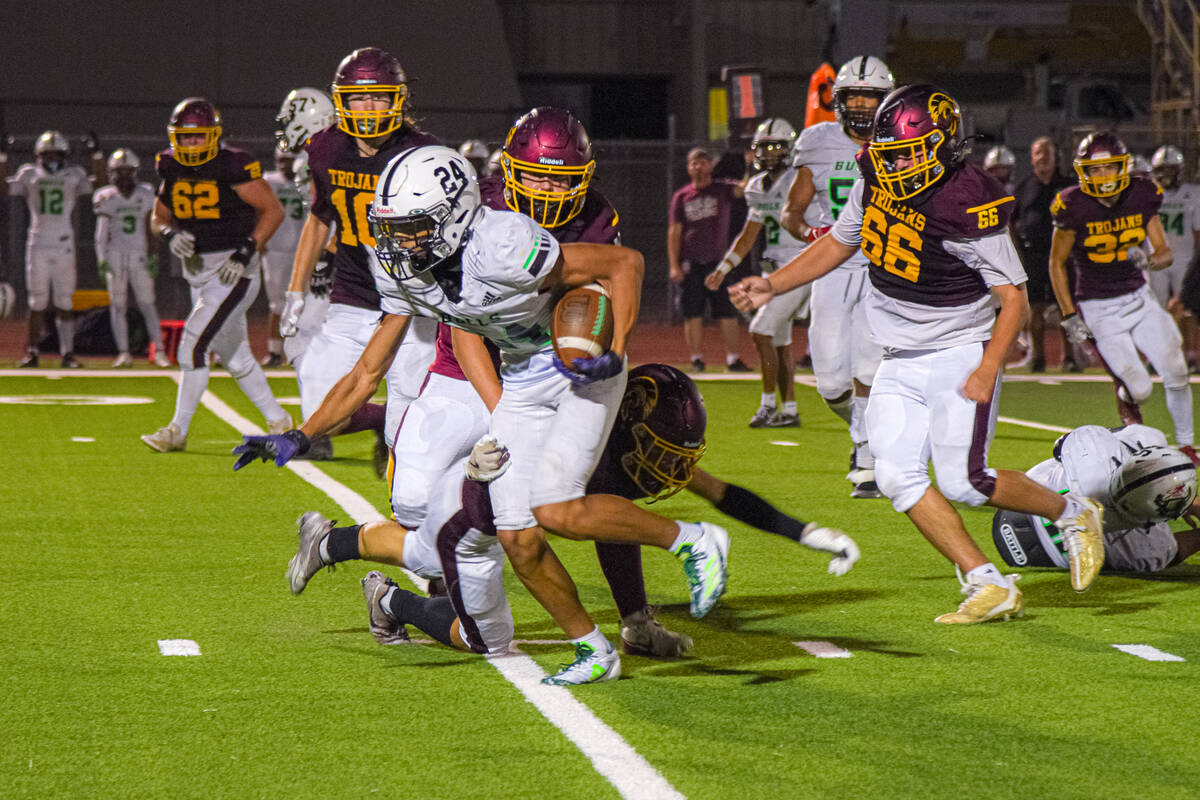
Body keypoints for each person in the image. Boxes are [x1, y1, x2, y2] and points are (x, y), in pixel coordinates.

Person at [233, 145, 731, 684]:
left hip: (578, 367)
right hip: (520, 378)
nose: (397, 242)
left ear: (453, 217)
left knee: (556, 508)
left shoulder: (504, 243)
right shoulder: (411, 271)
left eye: (411, 228)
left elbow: (623, 263)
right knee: (519, 533)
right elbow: (365, 372)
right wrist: (301, 437)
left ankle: (693, 539)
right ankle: (593, 651)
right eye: (391, 227)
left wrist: (617, 347)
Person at [730, 84, 1108, 622]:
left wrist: (987, 366)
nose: (900, 163)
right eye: (891, 153)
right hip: (898, 354)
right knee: (895, 475)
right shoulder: (874, 174)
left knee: (965, 483)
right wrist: (773, 283)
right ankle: (987, 583)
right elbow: (842, 239)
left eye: (911, 150)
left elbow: (1014, 298)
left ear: (946, 145)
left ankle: (1075, 512)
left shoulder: (968, 200)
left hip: (960, 348)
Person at [289, 364, 860, 661]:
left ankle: (328, 542)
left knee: (416, 547)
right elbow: (564, 540)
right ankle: (391, 599)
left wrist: (806, 532)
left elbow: (710, 497)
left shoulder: (611, 448)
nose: (667, 471)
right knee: (478, 631)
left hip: (496, 518)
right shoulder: (568, 442)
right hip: (473, 511)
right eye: (660, 453)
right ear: (627, 425)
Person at [281, 47, 440, 464]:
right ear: (341, 101)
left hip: (414, 302)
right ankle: (385, 423)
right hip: (354, 294)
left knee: (411, 415)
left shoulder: (425, 155)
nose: (369, 107)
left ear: (398, 99)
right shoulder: (326, 150)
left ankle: (407, 497)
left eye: (379, 96)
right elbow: (319, 219)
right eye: (358, 97)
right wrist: (295, 291)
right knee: (317, 401)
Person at [140, 97, 291, 452]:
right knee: (236, 357)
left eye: (199, 137)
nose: (191, 144)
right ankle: (280, 420)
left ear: (214, 135)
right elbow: (157, 216)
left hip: (232, 270)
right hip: (198, 272)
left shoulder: (232, 166)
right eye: (185, 137)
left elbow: (273, 210)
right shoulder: (170, 165)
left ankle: (177, 430)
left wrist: (247, 249)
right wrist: (169, 234)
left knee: (192, 345)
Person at [781, 54, 894, 498]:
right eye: (855, 96)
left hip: (881, 266)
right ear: (840, 100)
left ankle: (866, 454)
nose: (864, 105)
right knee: (830, 384)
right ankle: (868, 428)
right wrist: (810, 230)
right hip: (830, 264)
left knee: (869, 363)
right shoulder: (818, 141)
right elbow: (792, 209)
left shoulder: (900, 140)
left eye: (872, 96)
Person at [1049, 132, 1196, 463]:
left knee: (1175, 368)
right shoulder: (1072, 204)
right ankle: (1129, 418)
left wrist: (1148, 260)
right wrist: (1069, 315)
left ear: (1123, 169)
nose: (1103, 178)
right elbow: (1056, 262)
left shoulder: (1142, 194)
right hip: (1099, 308)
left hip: (1139, 297)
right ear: (1083, 172)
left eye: (1109, 169)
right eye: (1095, 170)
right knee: (1140, 389)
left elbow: (1164, 253)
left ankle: (1187, 445)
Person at [706, 118, 806, 428]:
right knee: (779, 340)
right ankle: (788, 409)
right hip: (774, 268)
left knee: (761, 330)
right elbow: (748, 236)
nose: (770, 153)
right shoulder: (756, 187)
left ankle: (766, 406)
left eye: (777, 146)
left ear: (789, 149)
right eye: (764, 147)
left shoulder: (799, 179)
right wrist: (723, 269)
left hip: (802, 263)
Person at [993, 424, 1199, 574]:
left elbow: (1061, 447)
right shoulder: (1149, 547)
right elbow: (1173, 551)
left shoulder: (1093, 447)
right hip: (1044, 555)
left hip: (1018, 504)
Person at [2, 131, 95, 368]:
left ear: (64, 155)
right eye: (47, 154)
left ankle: (68, 354)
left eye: (56, 154)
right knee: (37, 302)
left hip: (64, 244)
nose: (52, 158)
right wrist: (2, 157)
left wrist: (98, 155)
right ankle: (32, 352)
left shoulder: (73, 174)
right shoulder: (28, 173)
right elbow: (4, 188)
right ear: (38, 156)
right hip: (38, 243)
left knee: (65, 301)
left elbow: (99, 185)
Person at [272, 87, 336, 379]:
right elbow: (318, 217)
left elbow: (348, 211)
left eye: (289, 120)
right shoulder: (321, 155)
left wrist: (331, 253)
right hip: (342, 253)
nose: (285, 129)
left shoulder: (336, 154)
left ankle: (320, 418)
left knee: (302, 336)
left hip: (356, 258)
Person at [668, 146, 750, 373]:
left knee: (726, 311)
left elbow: (745, 189)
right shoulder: (681, 196)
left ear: (710, 165)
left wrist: (751, 165)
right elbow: (674, 231)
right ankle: (696, 358)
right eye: (694, 162)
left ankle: (733, 359)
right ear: (688, 167)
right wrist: (674, 264)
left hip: (719, 264)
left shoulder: (722, 189)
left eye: (703, 161)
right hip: (692, 263)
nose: (698, 166)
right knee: (692, 313)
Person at [92, 148, 169, 367]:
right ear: (110, 173)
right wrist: (102, 260)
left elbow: (150, 226)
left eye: (128, 171)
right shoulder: (105, 196)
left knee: (147, 303)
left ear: (135, 172)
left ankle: (160, 351)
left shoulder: (145, 192)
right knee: (118, 305)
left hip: (139, 253)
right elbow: (101, 233)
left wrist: (154, 254)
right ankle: (124, 352)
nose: (124, 176)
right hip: (115, 254)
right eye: (119, 171)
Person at [1012, 136, 1075, 372]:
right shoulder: (1024, 187)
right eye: (1038, 154)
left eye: (1046, 154)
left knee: (1065, 307)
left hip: (1063, 255)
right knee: (1034, 307)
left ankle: (1069, 357)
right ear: (1031, 158)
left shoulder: (1068, 185)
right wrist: (1017, 250)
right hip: (1034, 256)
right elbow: (1010, 221)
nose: (1042, 159)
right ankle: (1038, 357)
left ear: (1055, 157)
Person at [1149, 144, 1199, 370]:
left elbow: (1198, 233)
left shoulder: (1193, 194)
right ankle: (1157, 355)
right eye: (1162, 169)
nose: (1166, 175)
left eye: (1170, 169)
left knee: (1186, 307)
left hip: (1184, 258)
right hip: (1157, 258)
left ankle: (1188, 353)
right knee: (1156, 309)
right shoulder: (1148, 194)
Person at [260, 147, 308, 367]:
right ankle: (274, 351)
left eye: (288, 160)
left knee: (304, 303)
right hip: (276, 249)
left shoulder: (307, 180)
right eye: (280, 160)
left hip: (304, 249)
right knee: (277, 303)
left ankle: (300, 351)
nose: (283, 165)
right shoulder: (268, 181)